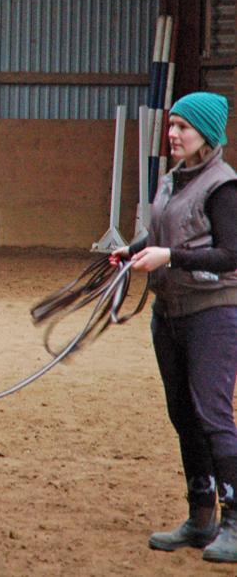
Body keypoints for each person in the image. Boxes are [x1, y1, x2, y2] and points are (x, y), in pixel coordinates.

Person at [111, 91, 237, 563]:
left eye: (183, 127)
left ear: (206, 133)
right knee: (184, 416)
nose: (173, 134)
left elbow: (232, 253)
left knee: (213, 416)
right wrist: (133, 250)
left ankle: (235, 520)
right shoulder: (172, 181)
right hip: (171, 312)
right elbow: (164, 234)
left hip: (212, 312)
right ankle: (200, 515)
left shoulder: (223, 186)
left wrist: (171, 257)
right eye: (172, 126)